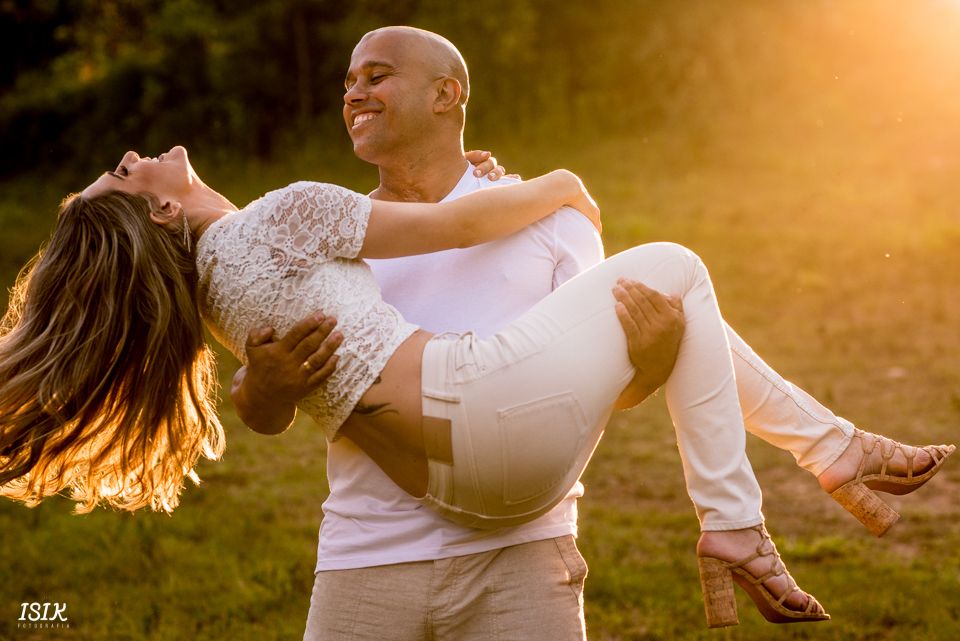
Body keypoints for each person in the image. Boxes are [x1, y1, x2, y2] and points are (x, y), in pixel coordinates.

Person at [0, 140, 954, 631]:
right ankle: (763, 500)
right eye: (121, 178)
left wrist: (483, 194)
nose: (130, 158)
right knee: (673, 264)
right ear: (163, 207)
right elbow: (450, 232)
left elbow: (396, 253)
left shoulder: (214, 286)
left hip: (460, 477)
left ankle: (827, 454)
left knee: (656, 295)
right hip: (484, 421)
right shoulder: (277, 219)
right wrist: (553, 185)